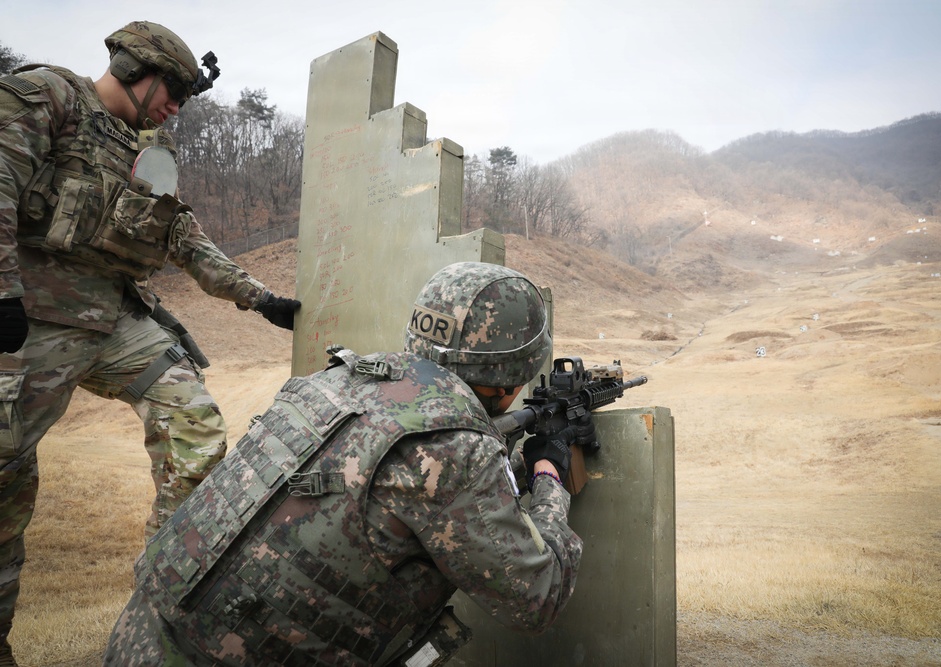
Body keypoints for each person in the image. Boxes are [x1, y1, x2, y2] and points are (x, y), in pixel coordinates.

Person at [104, 261, 585, 666]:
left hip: (141, 633)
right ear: (514, 374)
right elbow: (535, 596)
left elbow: (398, 491)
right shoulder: (453, 449)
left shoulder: (340, 381)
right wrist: (549, 476)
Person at [0, 21, 299, 663]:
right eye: (171, 93)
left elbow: (180, 236)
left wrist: (260, 297)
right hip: (27, 318)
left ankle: (162, 592)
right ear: (138, 69)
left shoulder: (149, 153)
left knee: (194, 425)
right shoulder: (49, 96)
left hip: (112, 322)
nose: (175, 109)